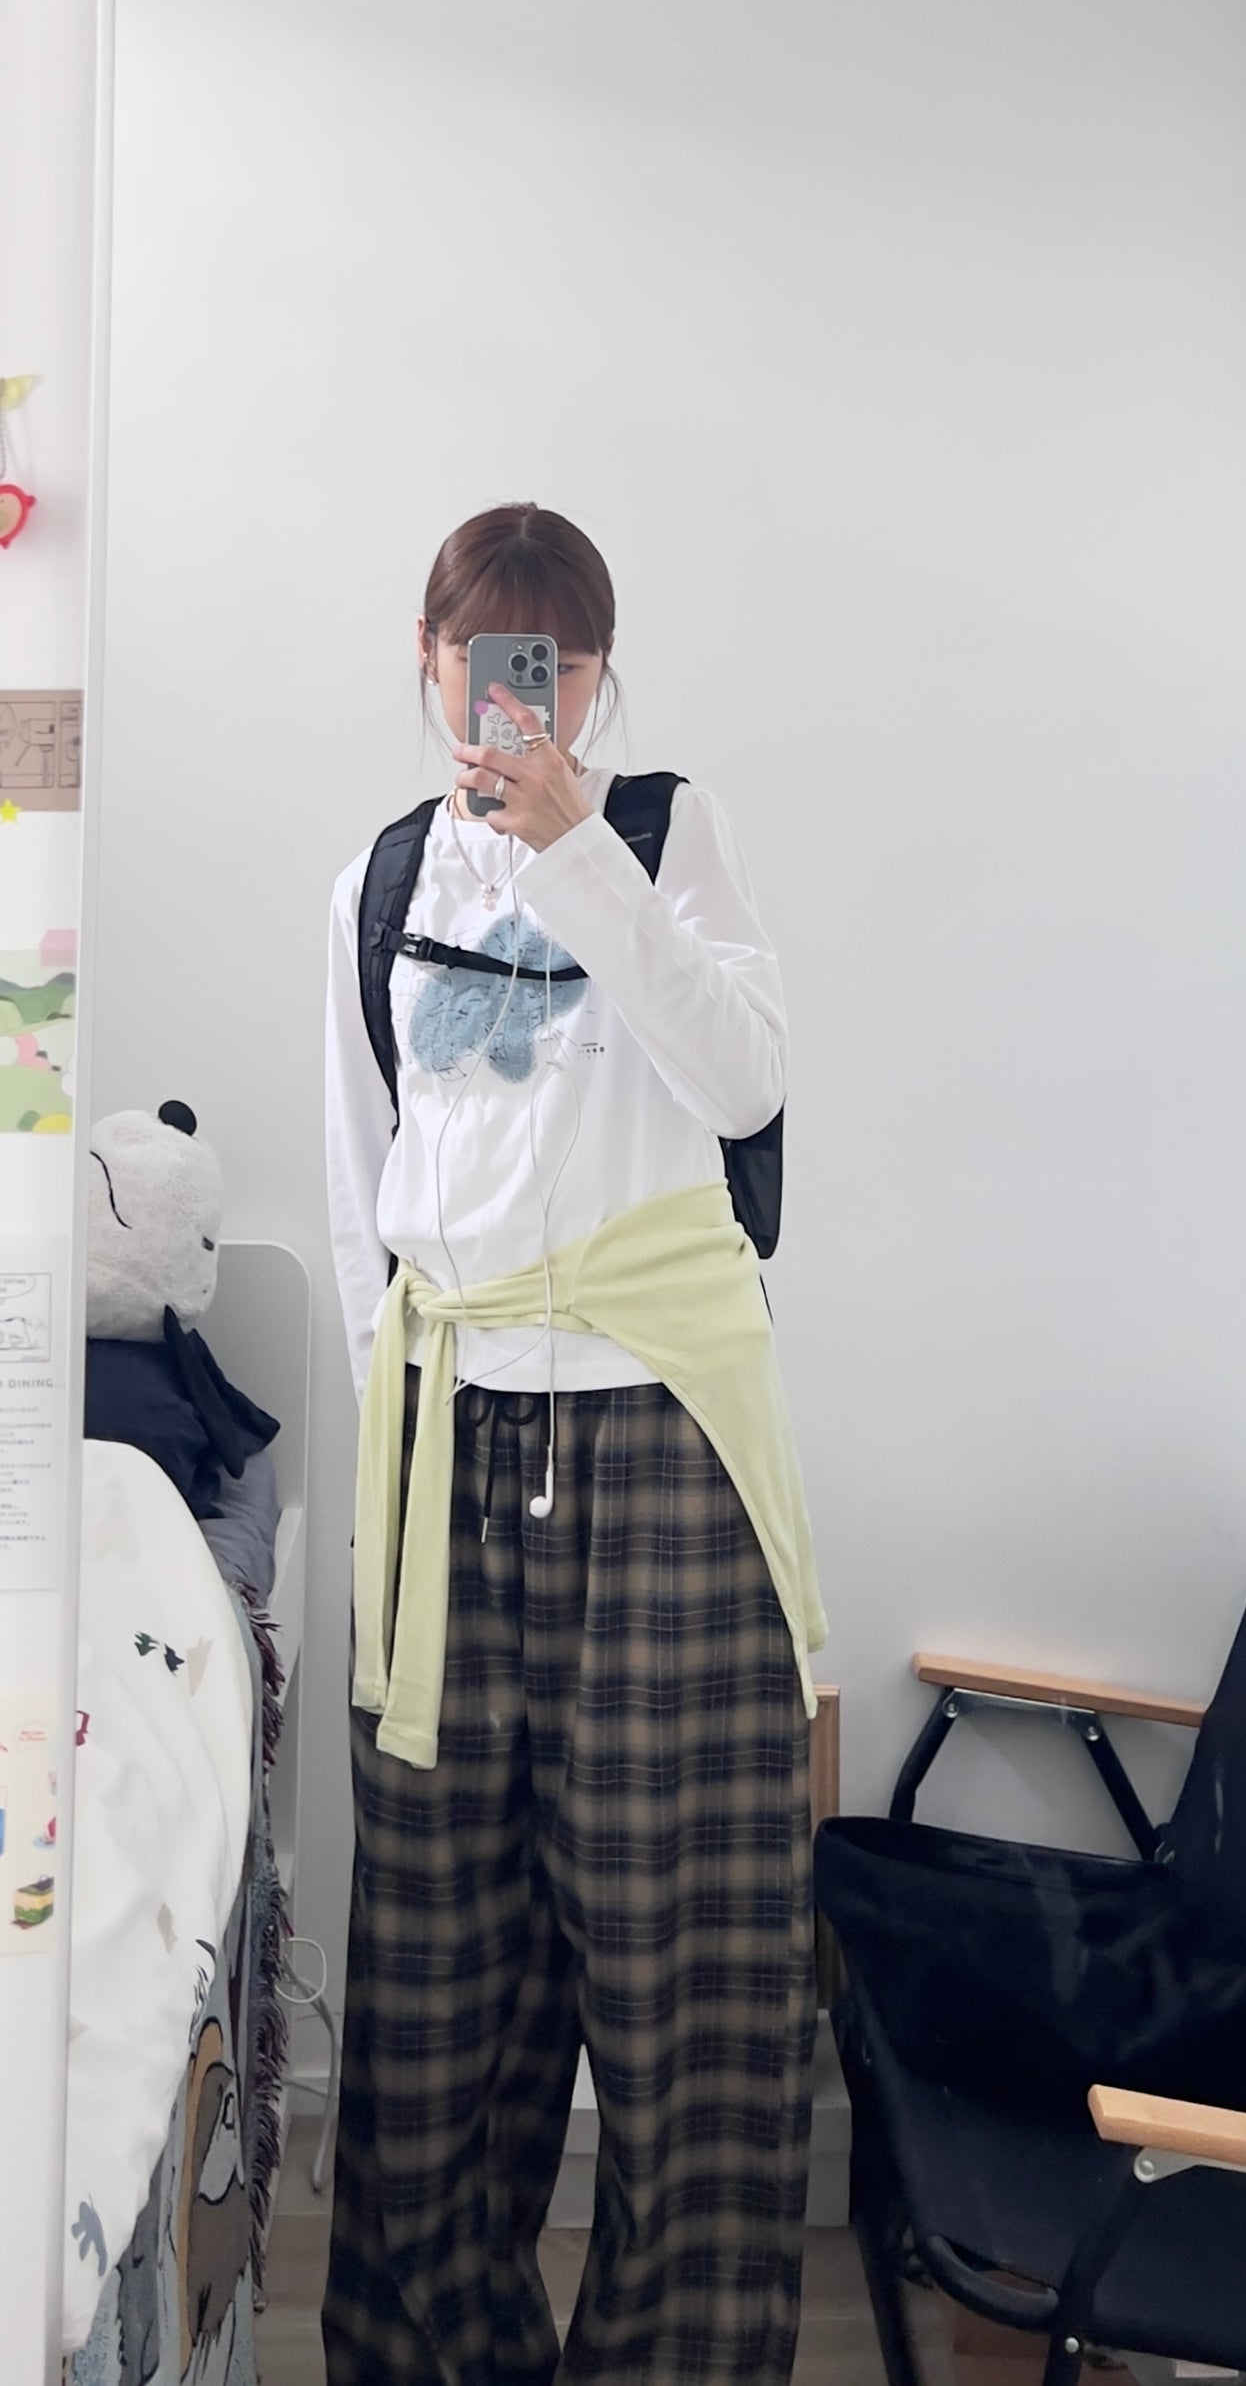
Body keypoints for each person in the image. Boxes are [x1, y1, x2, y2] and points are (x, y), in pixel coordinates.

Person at [322, 501, 824, 2386]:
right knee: (437, 1951)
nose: (518, 697)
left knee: (686, 1956)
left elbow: (744, 1080)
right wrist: (398, 1420)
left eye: (559, 661)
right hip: (451, 1439)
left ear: (599, 675)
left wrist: (577, 857)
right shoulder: (379, 878)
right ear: (430, 659)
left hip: (655, 1430)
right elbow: (359, 1177)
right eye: (483, 657)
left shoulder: (667, 835)